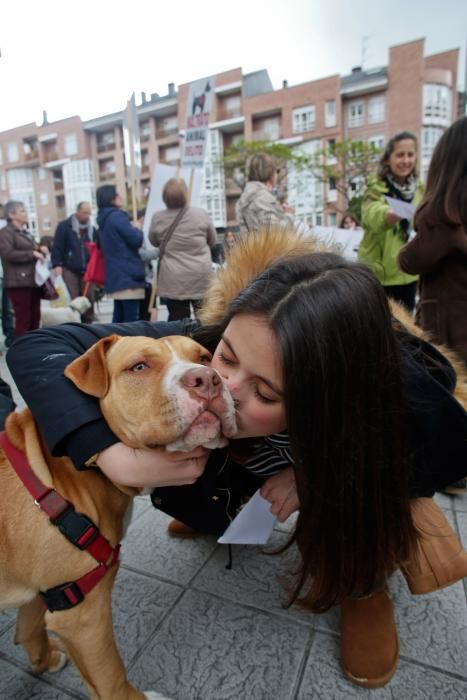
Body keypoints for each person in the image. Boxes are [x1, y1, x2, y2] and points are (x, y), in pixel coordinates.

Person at [7, 228, 467, 690]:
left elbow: (452, 453)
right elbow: (34, 348)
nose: (222, 386)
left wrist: (313, 476)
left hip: (351, 454)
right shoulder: (213, 338)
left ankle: (363, 585)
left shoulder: (394, 397)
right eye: (223, 357)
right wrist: (108, 455)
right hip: (252, 464)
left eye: (265, 391)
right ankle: (223, 510)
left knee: (372, 480)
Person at [398, 116, 467, 495]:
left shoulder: (444, 212)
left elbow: (414, 260)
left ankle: (452, 465)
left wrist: (403, 252)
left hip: (448, 319)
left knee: (445, 387)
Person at [358, 132, 423, 312]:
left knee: (406, 331)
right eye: (400, 155)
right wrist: (388, 214)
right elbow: (370, 214)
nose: (406, 160)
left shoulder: (421, 189)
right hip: (379, 275)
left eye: (410, 155)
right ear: (388, 159)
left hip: (407, 273)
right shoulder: (375, 187)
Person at [148, 177, 216, 321]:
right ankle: (205, 343)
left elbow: (153, 242)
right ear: (185, 194)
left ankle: (179, 343)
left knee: (178, 321)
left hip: (174, 279)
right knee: (205, 319)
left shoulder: (158, 218)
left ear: (164, 197)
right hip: (200, 276)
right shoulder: (201, 214)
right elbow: (213, 240)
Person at [96, 185, 145, 323]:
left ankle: (114, 345)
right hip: (128, 274)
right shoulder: (117, 217)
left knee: (118, 320)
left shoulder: (103, 219)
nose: (120, 197)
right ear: (111, 199)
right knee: (130, 322)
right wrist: (137, 228)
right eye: (117, 194)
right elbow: (136, 240)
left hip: (115, 275)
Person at [0, 201, 49, 337]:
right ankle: (21, 350)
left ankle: (32, 348)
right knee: (23, 319)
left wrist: (40, 250)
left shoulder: (26, 232)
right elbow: (7, 254)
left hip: (33, 280)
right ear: (11, 214)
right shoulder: (5, 233)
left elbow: (32, 251)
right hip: (18, 282)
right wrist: (32, 253)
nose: (26, 213)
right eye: (22, 211)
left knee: (35, 318)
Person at [51, 202, 97, 323]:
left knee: (88, 298)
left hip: (87, 268)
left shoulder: (92, 229)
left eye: (89, 213)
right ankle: (74, 323)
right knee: (73, 296)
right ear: (77, 211)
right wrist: (56, 264)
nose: (87, 216)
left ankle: (88, 323)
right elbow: (57, 246)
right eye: (85, 213)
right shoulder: (64, 226)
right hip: (69, 267)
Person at [236, 153, 295, 234]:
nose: (277, 174)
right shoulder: (261, 197)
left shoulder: (247, 197)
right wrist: (289, 215)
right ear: (270, 173)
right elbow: (274, 234)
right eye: (276, 171)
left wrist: (279, 212)